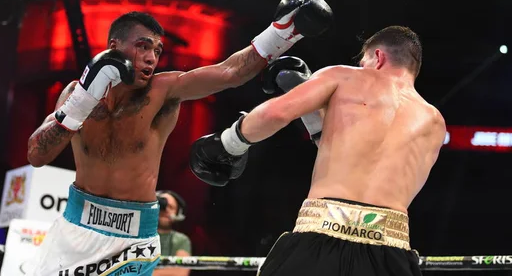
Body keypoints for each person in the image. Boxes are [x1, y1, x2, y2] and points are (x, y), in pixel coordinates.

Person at [25, 0, 333, 276]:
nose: (151, 58)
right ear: (114, 47)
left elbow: (231, 72)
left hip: (131, 242)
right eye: (143, 46)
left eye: (157, 51)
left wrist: (282, 32)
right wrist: (82, 102)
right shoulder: (74, 94)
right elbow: (37, 155)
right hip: (75, 227)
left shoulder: (164, 91)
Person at [190, 26, 446, 276]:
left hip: (321, 237)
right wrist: (316, 120)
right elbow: (363, 156)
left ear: (378, 57)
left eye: (364, 61)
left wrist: (229, 143)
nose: (362, 68)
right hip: (391, 254)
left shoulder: (345, 76)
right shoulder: (434, 121)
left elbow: (275, 113)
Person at [154, 190, 191, 276]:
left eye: (171, 207)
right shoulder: (138, 234)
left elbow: (180, 272)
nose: (166, 210)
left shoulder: (181, 239)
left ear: (177, 214)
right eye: (163, 205)